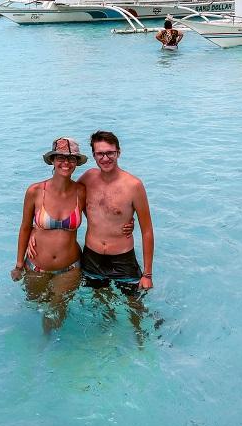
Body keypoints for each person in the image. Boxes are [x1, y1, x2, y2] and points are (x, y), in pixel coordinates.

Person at [12, 137, 88, 333]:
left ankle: (49, 349)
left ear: (77, 163)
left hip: (70, 267)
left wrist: (124, 225)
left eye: (71, 159)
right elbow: (25, 227)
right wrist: (19, 264)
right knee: (36, 305)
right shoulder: (35, 191)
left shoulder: (81, 191)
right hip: (35, 266)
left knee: (55, 310)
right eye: (61, 157)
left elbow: (98, 220)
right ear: (53, 160)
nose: (66, 163)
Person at [78, 130, 154, 294]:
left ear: (118, 152)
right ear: (94, 155)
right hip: (91, 257)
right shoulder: (87, 178)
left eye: (110, 153)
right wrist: (37, 229)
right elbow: (67, 201)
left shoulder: (133, 185)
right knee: (99, 306)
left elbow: (147, 231)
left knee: (135, 308)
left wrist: (147, 274)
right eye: (100, 154)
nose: (105, 158)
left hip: (123, 259)